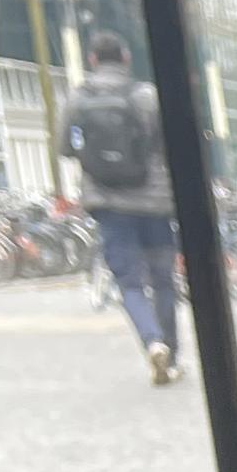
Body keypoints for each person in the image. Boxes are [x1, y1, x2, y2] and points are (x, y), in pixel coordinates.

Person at [60, 31, 179, 385]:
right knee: (163, 281)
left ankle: (152, 342)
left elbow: (64, 146)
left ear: (93, 60)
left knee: (129, 283)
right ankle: (172, 355)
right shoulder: (146, 97)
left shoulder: (77, 99)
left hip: (109, 204)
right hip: (155, 202)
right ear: (126, 59)